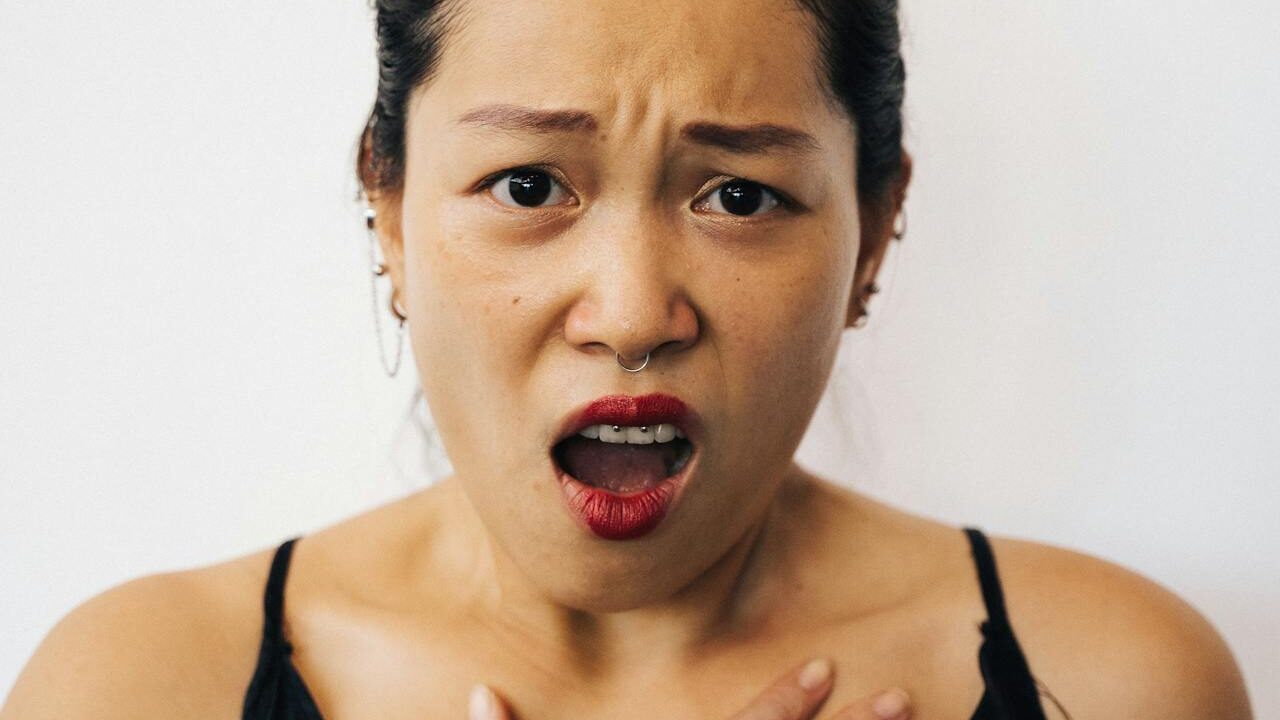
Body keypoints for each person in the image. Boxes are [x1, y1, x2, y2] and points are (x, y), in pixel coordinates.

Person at [1, 1, 1254, 718]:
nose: (631, 311)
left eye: (739, 197)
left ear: (873, 230)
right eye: (530, 183)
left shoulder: (1112, 681)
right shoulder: (137, 687)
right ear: (387, 211)